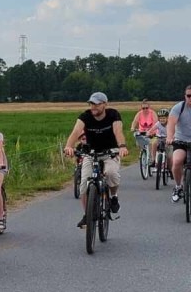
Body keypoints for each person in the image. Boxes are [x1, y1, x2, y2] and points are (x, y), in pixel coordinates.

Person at [63, 92, 128, 227]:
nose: (93, 107)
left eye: (97, 104)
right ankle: (88, 215)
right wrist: (69, 146)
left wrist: (121, 146)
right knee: (84, 183)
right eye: (91, 104)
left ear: (105, 104)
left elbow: (118, 132)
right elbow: (76, 132)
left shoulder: (113, 114)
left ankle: (113, 197)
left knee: (111, 173)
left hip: (110, 152)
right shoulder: (85, 116)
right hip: (91, 153)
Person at [131, 99, 159, 167]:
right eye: (143, 108)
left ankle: (153, 159)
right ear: (141, 108)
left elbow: (156, 122)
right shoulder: (139, 114)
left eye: (146, 108)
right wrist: (132, 128)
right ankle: (143, 153)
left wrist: (152, 131)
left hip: (152, 132)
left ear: (149, 107)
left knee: (153, 144)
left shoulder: (152, 113)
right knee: (138, 142)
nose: (145, 109)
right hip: (142, 132)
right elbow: (134, 122)